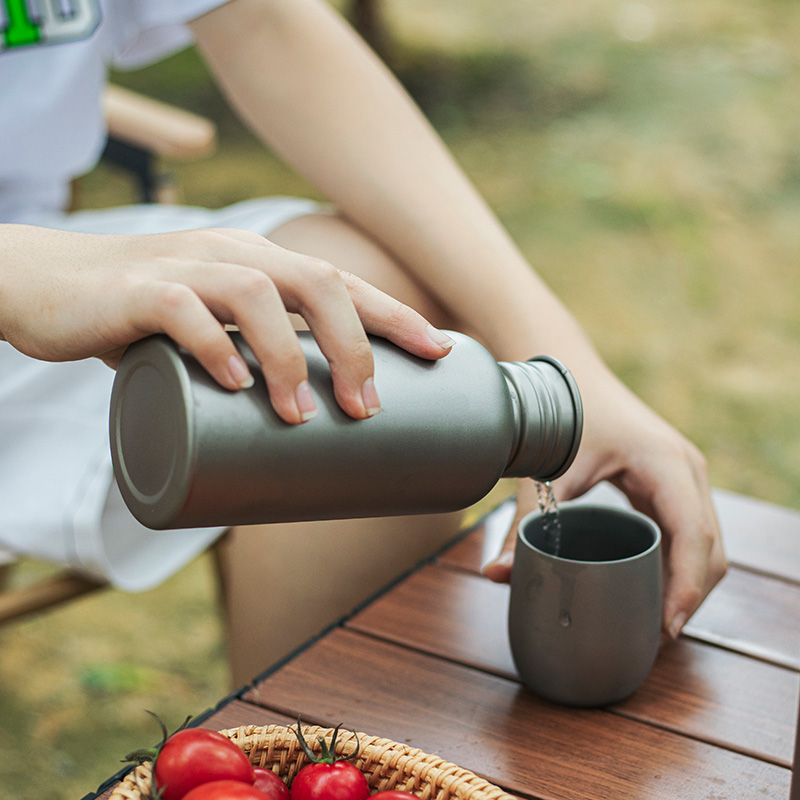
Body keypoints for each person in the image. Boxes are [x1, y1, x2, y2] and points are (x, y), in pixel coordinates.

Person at [0, 0, 726, 684]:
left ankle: (298, 759)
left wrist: (564, 362)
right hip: (27, 274)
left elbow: (264, 23)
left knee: (372, 329)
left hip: (51, 259)